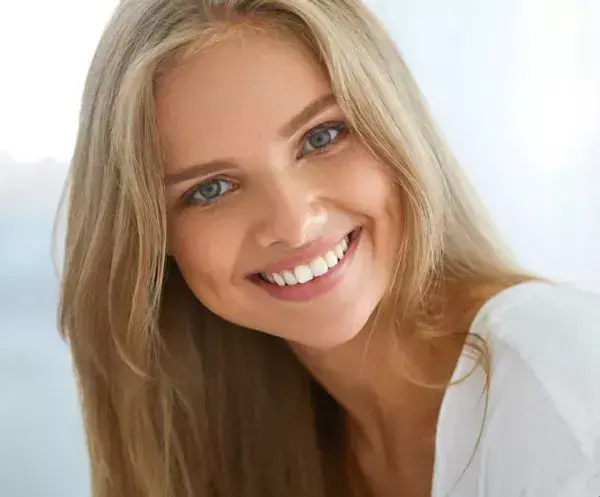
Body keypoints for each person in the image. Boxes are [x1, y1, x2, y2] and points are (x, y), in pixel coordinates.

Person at [56, 0, 600, 496]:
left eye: (321, 137)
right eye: (212, 189)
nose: (294, 224)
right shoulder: (230, 439)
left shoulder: (566, 387)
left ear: (394, 123)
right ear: (154, 241)